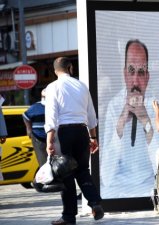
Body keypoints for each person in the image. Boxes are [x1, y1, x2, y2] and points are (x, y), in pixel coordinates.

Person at [100, 39, 159, 198]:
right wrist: (121, 123)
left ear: (148, 77)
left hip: (150, 185)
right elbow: (106, 176)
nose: (135, 81)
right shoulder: (114, 106)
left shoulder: (155, 104)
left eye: (141, 72)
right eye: (131, 71)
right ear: (124, 74)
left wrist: (146, 122)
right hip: (117, 188)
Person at [44, 57, 104, 225]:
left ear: (56, 71)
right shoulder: (82, 86)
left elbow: (51, 116)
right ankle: (95, 202)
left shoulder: (53, 87)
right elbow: (91, 115)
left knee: (66, 175)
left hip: (64, 133)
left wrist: (49, 141)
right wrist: (93, 137)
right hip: (82, 132)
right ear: (70, 68)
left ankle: (68, 217)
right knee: (83, 170)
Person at [23, 89, 47, 166]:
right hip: (39, 138)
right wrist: (29, 129)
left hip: (54, 138)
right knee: (43, 164)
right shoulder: (35, 107)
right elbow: (25, 116)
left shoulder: (56, 106)